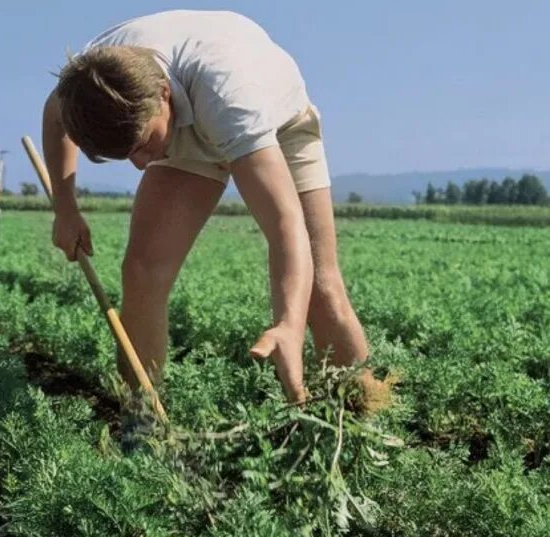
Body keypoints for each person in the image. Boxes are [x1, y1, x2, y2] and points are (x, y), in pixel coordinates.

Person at [41, 10, 389, 410]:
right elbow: (54, 117)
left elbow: (284, 223)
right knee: (141, 272)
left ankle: (366, 416)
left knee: (320, 286)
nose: (139, 166)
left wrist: (289, 325)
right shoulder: (86, 85)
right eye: (125, 156)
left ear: (163, 97)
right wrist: (65, 208)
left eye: (140, 146)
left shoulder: (230, 99)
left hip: (278, 123)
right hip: (180, 124)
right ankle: (142, 417)